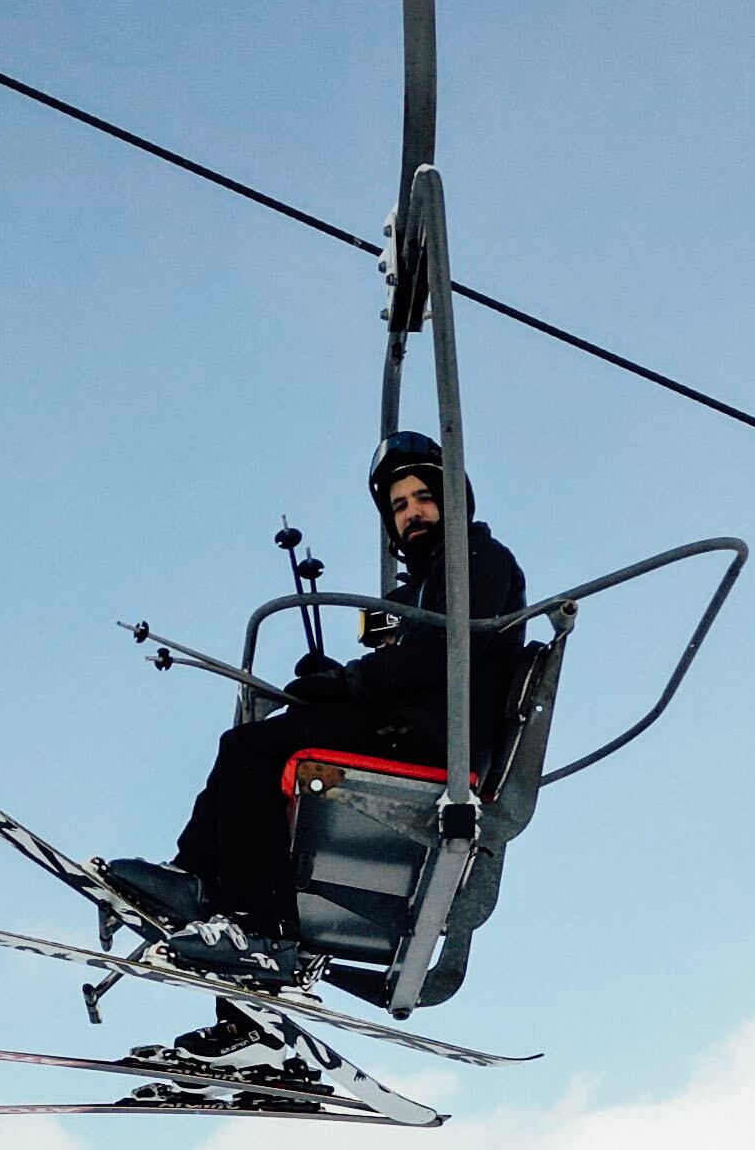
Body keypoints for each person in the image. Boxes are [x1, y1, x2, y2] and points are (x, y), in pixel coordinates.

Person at [109, 431, 527, 1056]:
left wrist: (350, 684)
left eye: (423, 498)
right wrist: (335, 680)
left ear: (454, 501)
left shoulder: (474, 559)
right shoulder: (427, 581)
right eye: (398, 505)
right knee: (249, 750)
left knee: (252, 752)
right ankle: (233, 976)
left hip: (434, 744)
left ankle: (255, 929)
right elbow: (408, 661)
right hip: (410, 729)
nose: (411, 513)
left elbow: (443, 653)